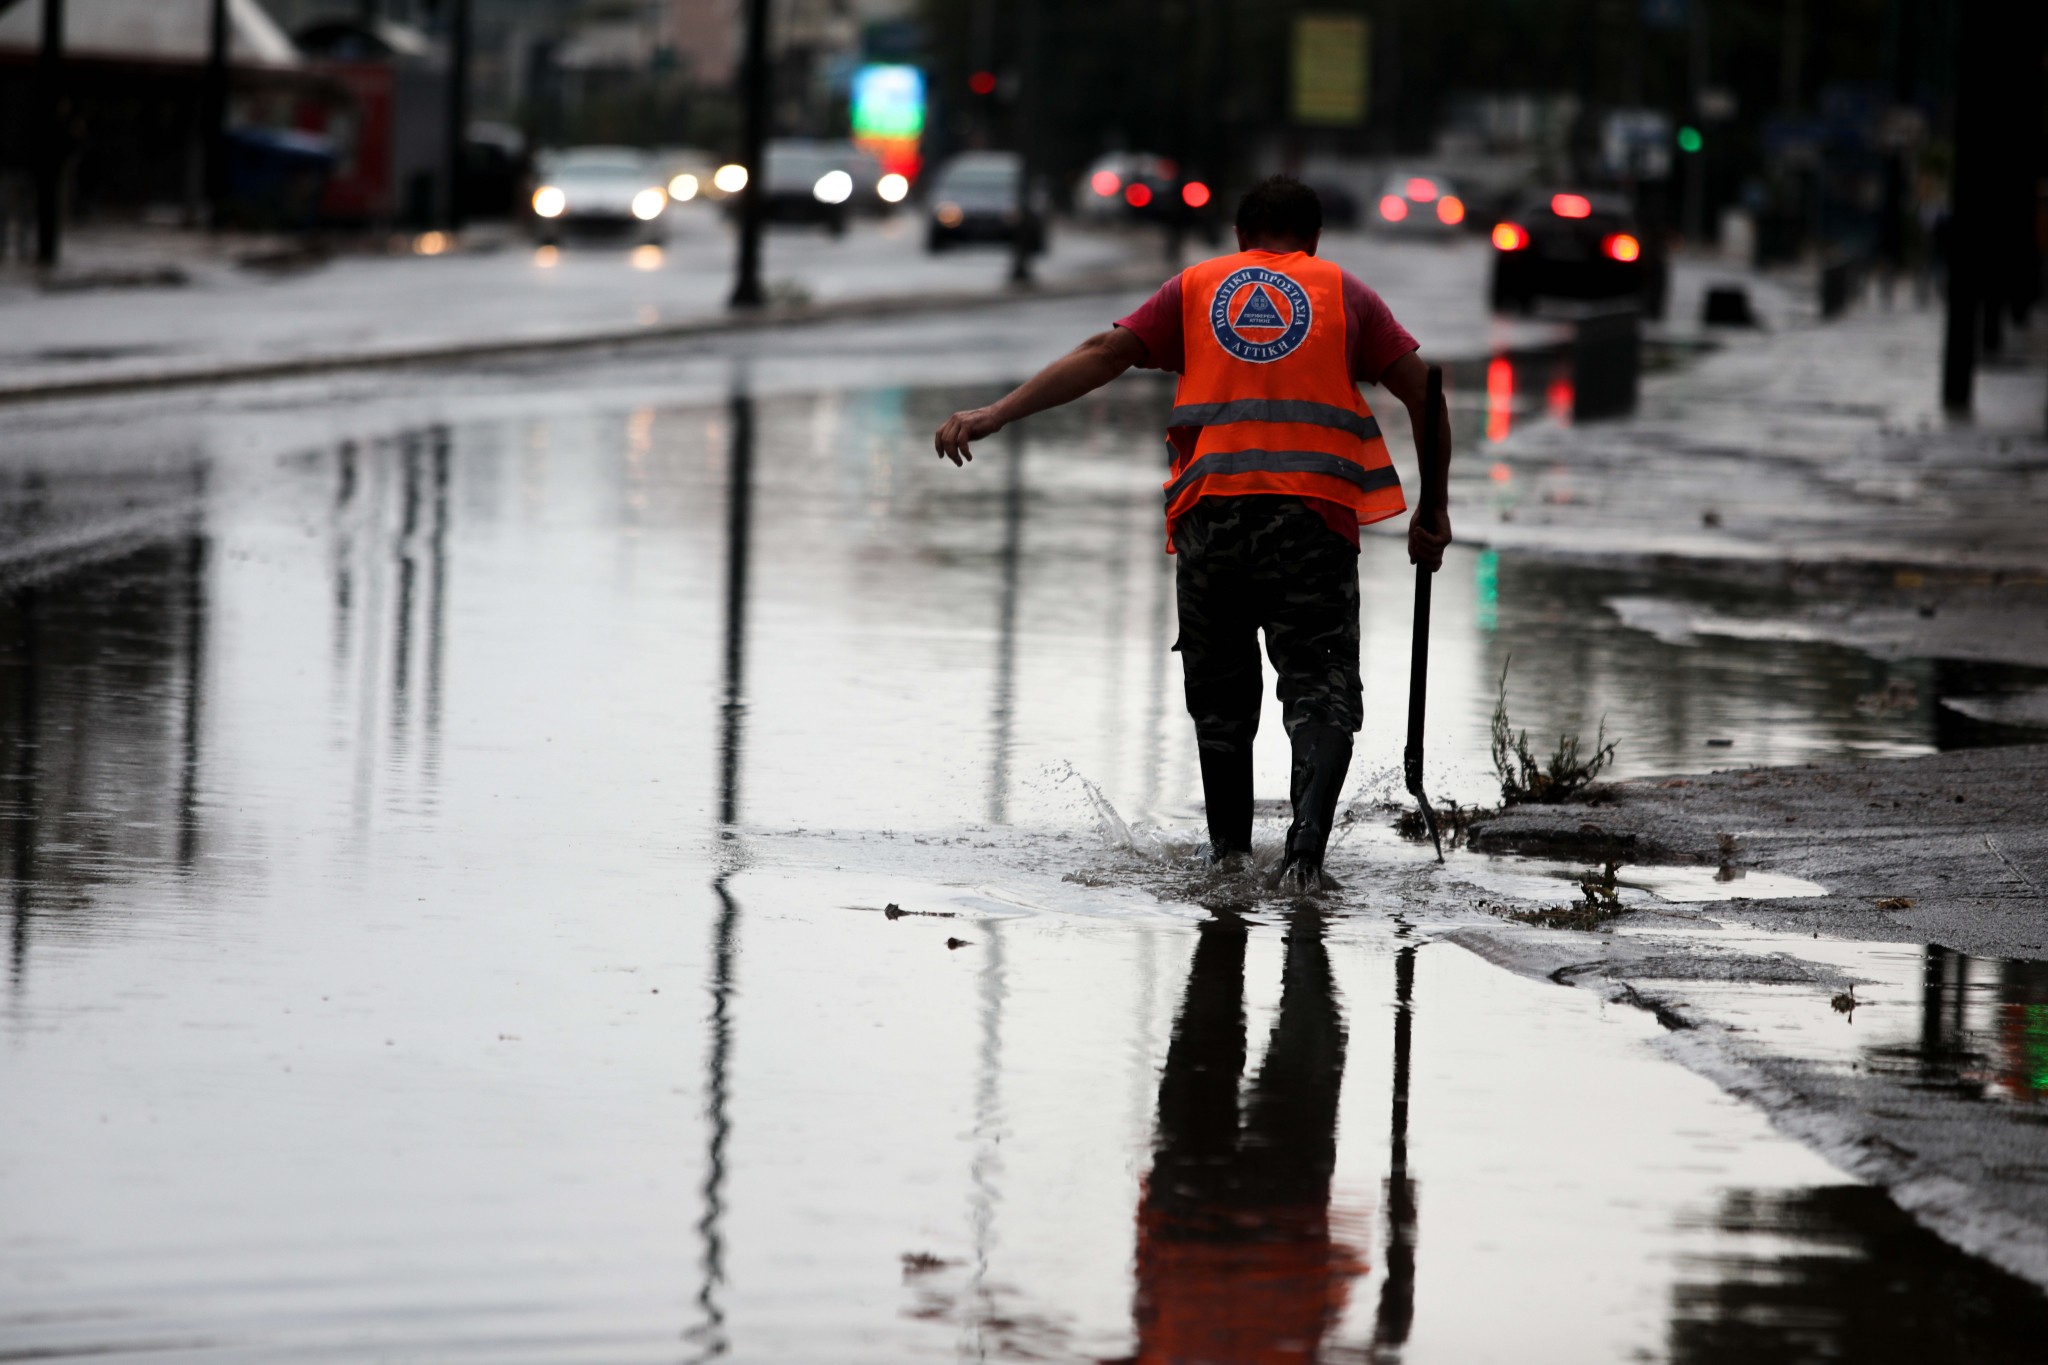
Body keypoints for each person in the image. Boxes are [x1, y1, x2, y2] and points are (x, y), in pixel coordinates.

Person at [934, 175, 1451, 891]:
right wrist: (1433, 511)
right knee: (1320, 683)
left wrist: (997, 413)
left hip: (1213, 518)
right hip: (1313, 519)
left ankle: (1229, 858)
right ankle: (1305, 857)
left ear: (1240, 239)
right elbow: (1425, 391)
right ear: (1314, 240)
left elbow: (1103, 353)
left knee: (1220, 693)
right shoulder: (1344, 292)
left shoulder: (1199, 286)